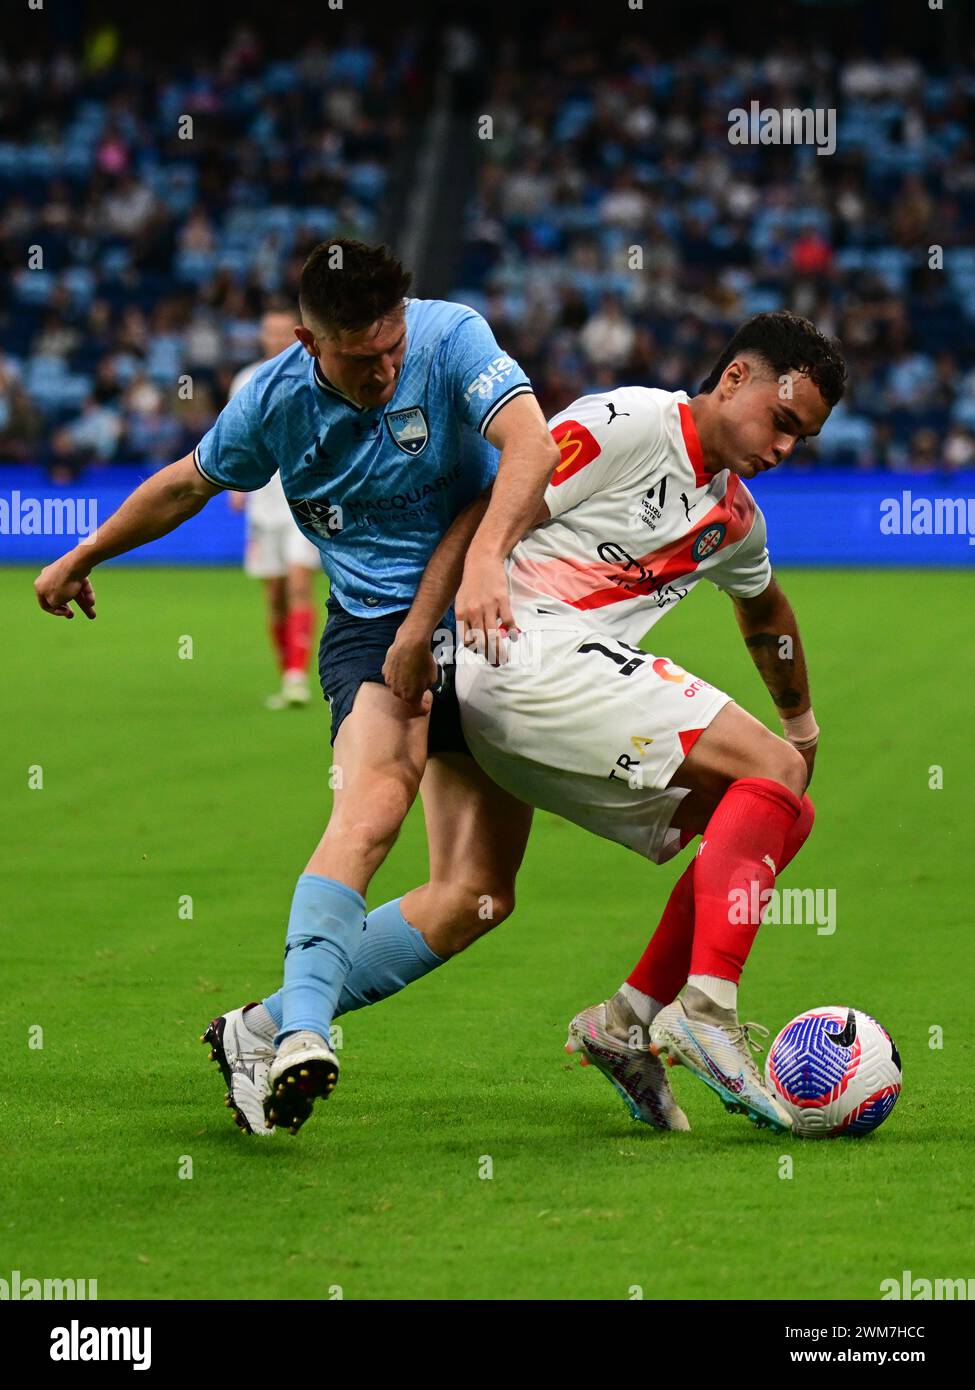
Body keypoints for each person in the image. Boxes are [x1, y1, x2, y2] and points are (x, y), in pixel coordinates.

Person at [33, 237, 559, 1137]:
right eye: (362, 358)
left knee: (477, 894)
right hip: (371, 633)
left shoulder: (450, 337)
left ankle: (263, 1024)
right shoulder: (273, 402)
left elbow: (531, 444)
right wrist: (85, 551)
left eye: (392, 345)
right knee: (374, 801)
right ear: (310, 341)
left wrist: (482, 561)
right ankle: (307, 1033)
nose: (386, 369)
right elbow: (183, 486)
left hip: (485, 615)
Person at [445, 311, 846, 1132]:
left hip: (546, 705)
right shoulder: (625, 423)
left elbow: (762, 604)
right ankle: (704, 1009)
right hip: (520, 651)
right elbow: (505, 498)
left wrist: (799, 722)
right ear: (733, 378)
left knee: (775, 806)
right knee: (770, 775)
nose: (781, 450)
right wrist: (461, 593)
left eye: (799, 439)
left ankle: (624, 1022)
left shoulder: (731, 517)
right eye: (780, 422)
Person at [226, 304, 321, 710]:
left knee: (300, 584)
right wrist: (234, 483)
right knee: (275, 595)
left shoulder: (317, 374)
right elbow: (232, 434)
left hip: (306, 502)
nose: (277, 338)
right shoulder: (246, 380)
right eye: (270, 331)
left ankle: (298, 677)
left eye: (285, 331)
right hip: (263, 506)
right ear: (262, 336)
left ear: (297, 333)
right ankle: (287, 673)